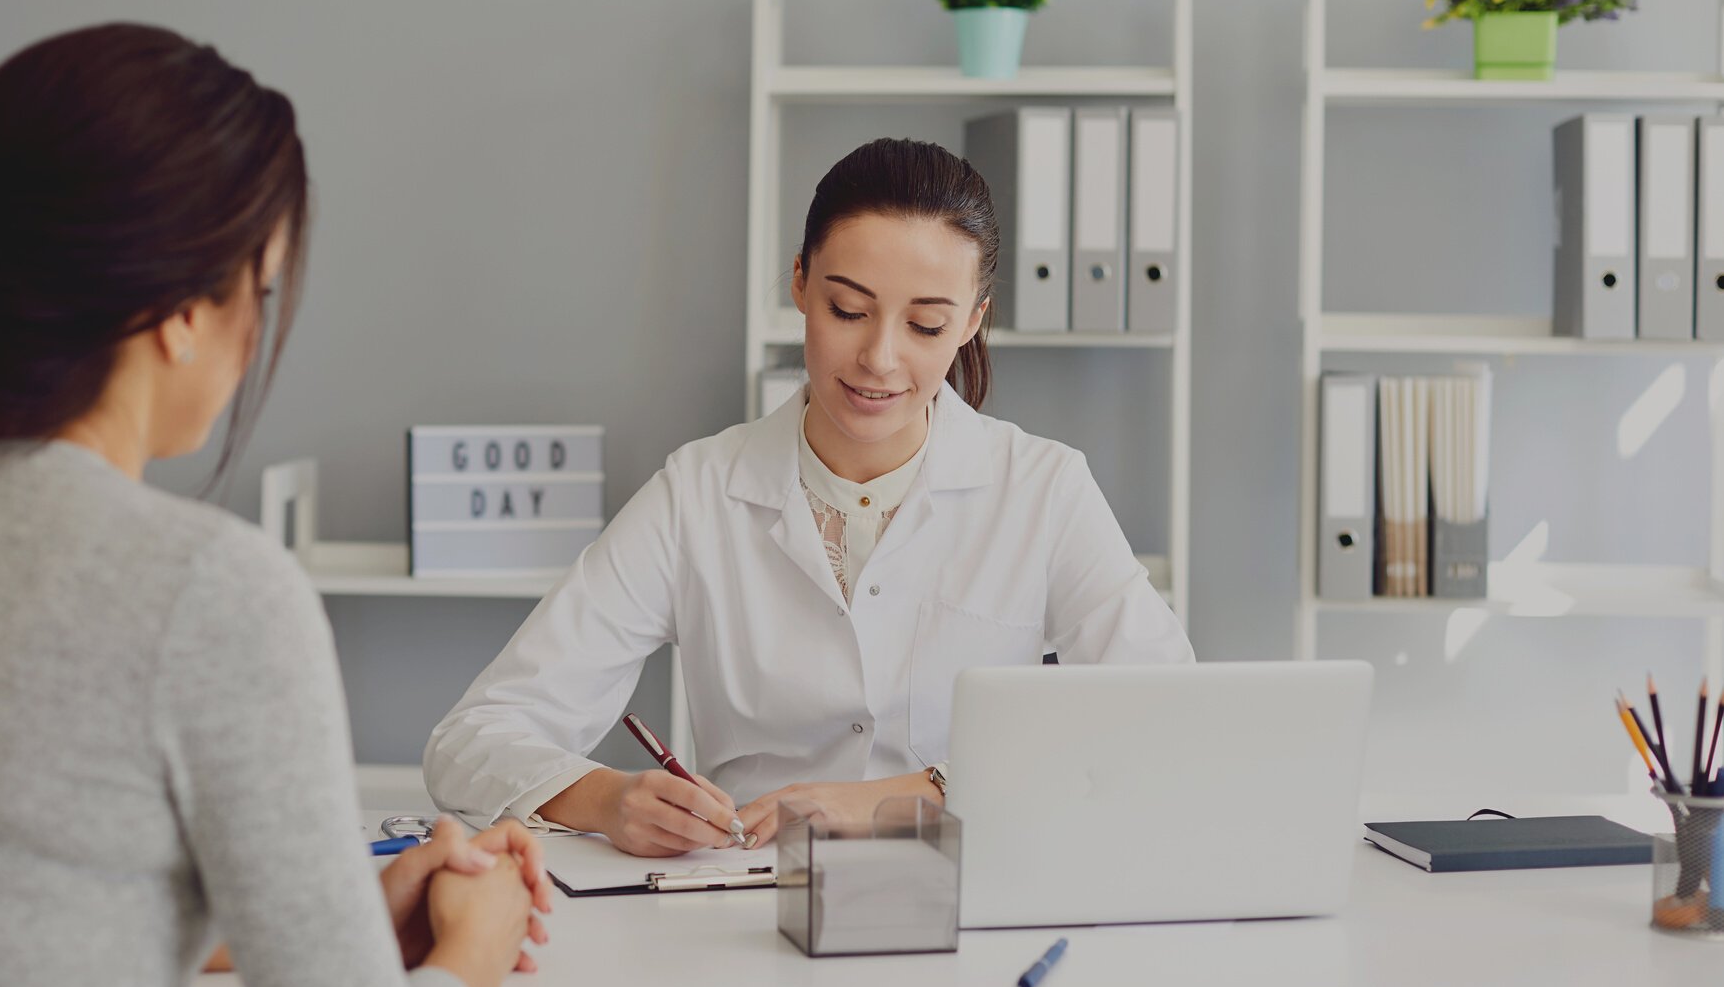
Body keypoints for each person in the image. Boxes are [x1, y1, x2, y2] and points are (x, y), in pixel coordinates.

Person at [0, 24, 550, 987]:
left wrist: (343, 916)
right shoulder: (202, 590)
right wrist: (476, 951)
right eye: (258, 292)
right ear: (183, 310)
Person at [425, 137, 1192, 856]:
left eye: (926, 325)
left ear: (972, 322)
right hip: (747, 906)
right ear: (799, 281)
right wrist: (607, 798)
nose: (880, 358)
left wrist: (911, 794)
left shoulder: (1043, 489)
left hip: (972, 901)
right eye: (848, 310)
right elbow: (473, 737)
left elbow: (1168, 714)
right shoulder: (697, 494)